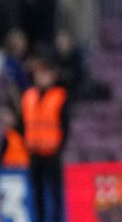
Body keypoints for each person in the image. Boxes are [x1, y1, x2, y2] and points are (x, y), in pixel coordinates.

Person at [22, 56, 69, 222]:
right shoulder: (28, 96)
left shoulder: (60, 96)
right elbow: (24, 123)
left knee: (54, 193)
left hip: (52, 153)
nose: (42, 77)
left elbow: (65, 125)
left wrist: (59, 147)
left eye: (45, 73)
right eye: (39, 73)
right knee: (37, 192)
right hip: (34, 152)